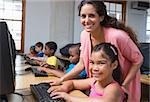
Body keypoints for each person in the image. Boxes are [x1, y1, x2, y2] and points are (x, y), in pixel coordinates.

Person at [48, 1, 143, 102]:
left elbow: (138, 60)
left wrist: (125, 84)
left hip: (122, 85)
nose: (86, 20)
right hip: (101, 84)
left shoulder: (118, 36)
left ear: (101, 17)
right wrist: (62, 80)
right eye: (83, 16)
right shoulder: (84, 35)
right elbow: (82, 64)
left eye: (92, 16)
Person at [48, 43, 127, 102]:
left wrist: (69, 98)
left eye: (101, 63)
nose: (95, 68)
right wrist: (63, 88)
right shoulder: (94, 81)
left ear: (114, 65)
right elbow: (72, 83)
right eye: (92, 62)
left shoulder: (113, 88)